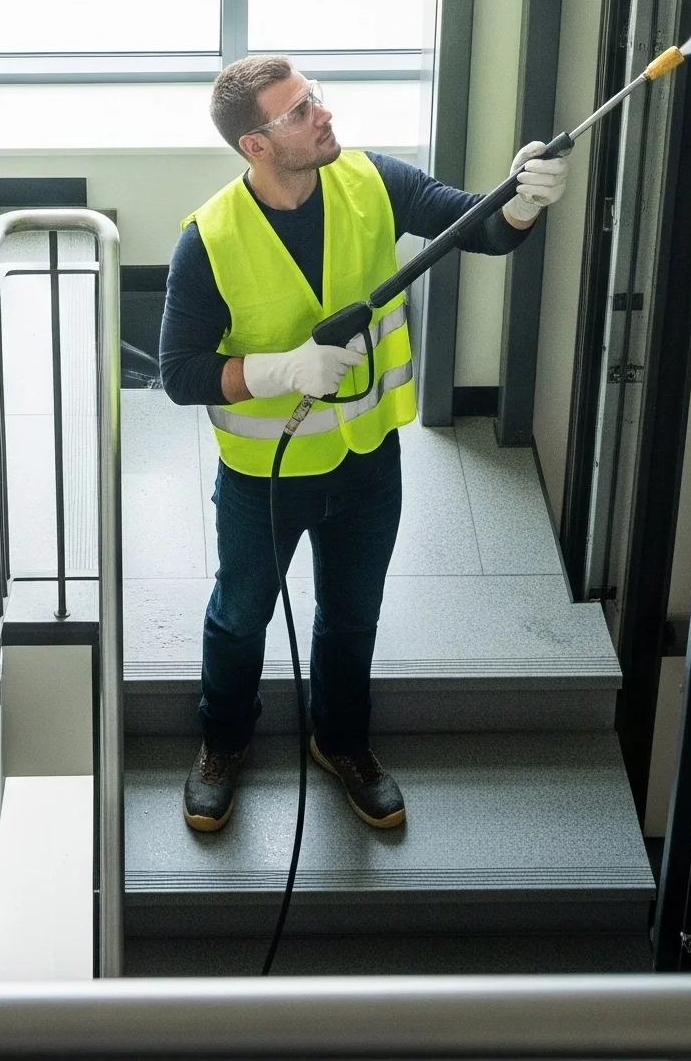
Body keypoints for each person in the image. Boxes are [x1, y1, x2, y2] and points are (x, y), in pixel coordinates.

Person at [157, 57, 568, 833]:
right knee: (243, 612)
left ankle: (341, 740)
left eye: (315, 97)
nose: (322, 115)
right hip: (265, 479)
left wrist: (519, 204)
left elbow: (475, 225)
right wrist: (283, 368)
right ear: (256, 146)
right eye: (299, 112)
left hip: (369, 460)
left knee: (353, 613)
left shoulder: (370, 181)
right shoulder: (208, 241)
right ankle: (223, 740)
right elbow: (179, 373)